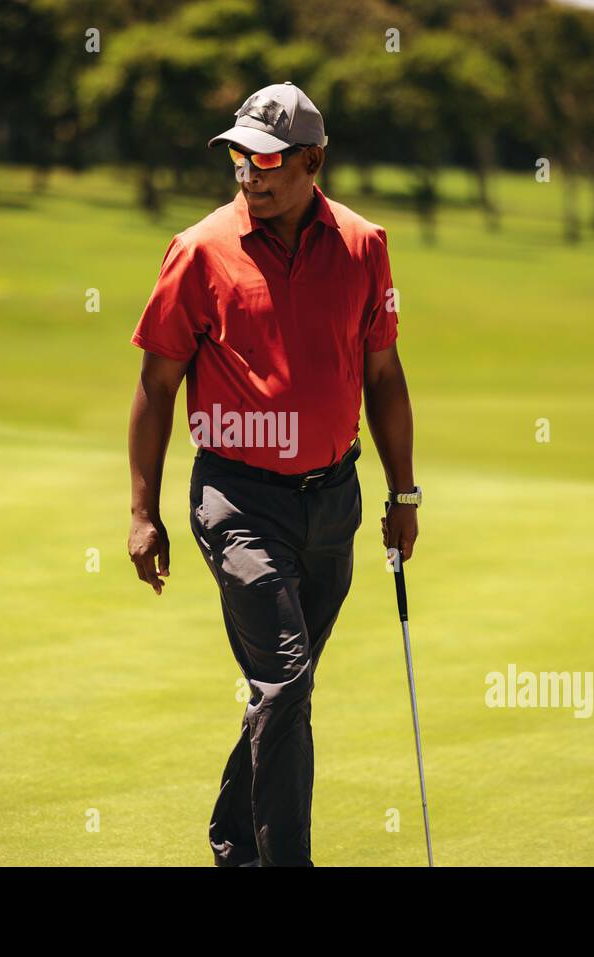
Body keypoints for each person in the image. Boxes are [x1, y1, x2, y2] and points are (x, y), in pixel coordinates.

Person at [126, 81, 420, 866]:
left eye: (265, 161)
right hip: (238, 500)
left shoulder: (365, 245)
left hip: (334, 502)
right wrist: (142, 510)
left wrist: (404, 490)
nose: (248, 176)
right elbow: (156, 388)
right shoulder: (199, 251)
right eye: (238, 159)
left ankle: (232, 837)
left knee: (281, 695)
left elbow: (385, 376)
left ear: (313, 160)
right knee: (286, 684)